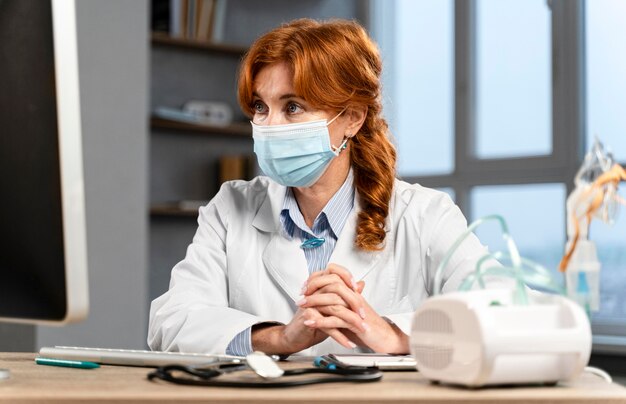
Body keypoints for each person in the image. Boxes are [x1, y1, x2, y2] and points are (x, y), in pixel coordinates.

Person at [148, 18, 495, 357]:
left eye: (292, 107)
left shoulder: (425, 214)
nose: (269, 126)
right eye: (260, 107)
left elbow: (499, 310)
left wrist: (394, 334)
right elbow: (172, 322)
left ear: (352, 118)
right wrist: (280, 338)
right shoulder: (231, 207)